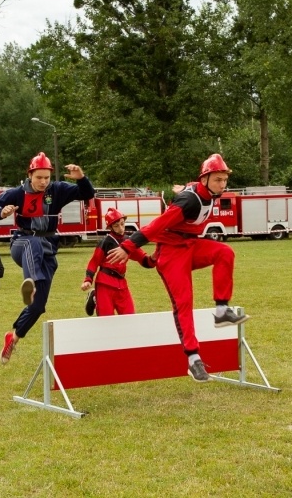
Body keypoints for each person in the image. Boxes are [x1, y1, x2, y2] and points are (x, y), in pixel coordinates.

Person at [106, 154, 248, 383]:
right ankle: (193, 359)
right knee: (184, 301)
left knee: (225, 252)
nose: (222, 185)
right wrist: (128, 247)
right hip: (171, 253)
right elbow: (157, 225)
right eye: (218, 180)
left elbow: (190, 187)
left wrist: (180, 188)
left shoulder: (205, 191)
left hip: (190, 246)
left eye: (224, 180)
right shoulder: (189, 201)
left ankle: (222, 310)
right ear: (204, 179)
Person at [0, 152, 95, 365]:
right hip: (22, 243)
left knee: (37, 307)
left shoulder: (58, 190)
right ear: (30, 175)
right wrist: (2, 212)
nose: (43, 182)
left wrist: (81, 178)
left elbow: (87, 193)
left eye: (46, 177)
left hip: (48, 249)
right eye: (39, 177)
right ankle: (31, 282)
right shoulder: (17, 193)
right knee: (32, 242)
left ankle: (13, 338)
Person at [80, 208, 155, 316]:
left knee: (130, 318)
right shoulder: (105, 242)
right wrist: (88, 280)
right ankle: (96, 296)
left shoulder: (129, 242)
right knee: (106, 320)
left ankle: (95, 296)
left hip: (122, 285)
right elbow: (94, 262)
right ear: (110, 227)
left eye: (122, 224)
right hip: (104, 283)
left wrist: (155, 256)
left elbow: (145, 261)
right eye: (116, 226)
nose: (120, 228)